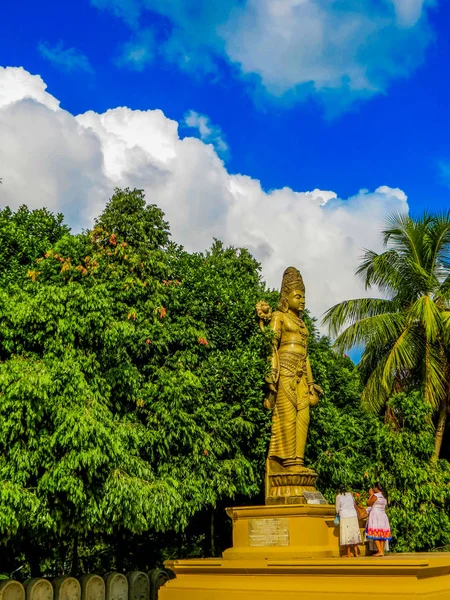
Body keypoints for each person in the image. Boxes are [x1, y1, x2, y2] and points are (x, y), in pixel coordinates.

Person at [366, 482, 392, 557]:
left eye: (374, 487)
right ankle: (381, 551)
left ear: (376, 488)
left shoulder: (375, 496)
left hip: (375, 515)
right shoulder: (384, 496)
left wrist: (370, 495)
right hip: (383, 515)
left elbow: (369, 503)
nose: (373, 489)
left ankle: (380, 551)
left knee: (375, 531)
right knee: (382, 533)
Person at [335, 486, 361, 557]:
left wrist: (337, 514)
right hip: (353, 515)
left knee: (346, 533)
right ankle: (356, 552)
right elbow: (354, 504)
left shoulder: (339, 496)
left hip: (344, 515)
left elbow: (337, 509)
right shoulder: (350, 495)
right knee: (354, 532)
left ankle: (348, 553)